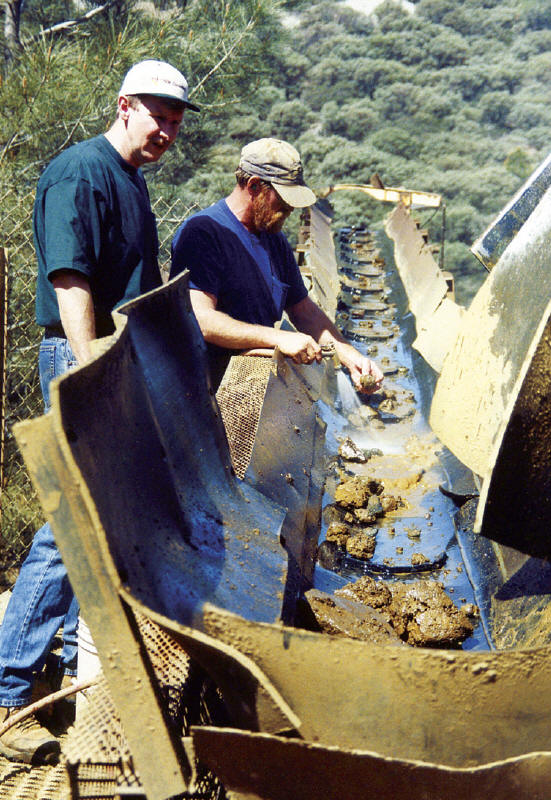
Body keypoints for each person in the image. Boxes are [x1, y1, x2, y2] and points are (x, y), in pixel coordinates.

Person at [0, 59, 199, 765]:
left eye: (176, 121)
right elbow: (69, 278)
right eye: (158, 115)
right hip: (84, 362)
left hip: (116, 364)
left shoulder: (129, 181)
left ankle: (44, 671)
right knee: (69, 529)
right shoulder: (80, 173)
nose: (167, 131)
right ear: (124, 106)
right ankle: (9, 695)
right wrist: (93, 376)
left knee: (96, 527)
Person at [170, 138, 384, 393]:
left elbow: (302, 310)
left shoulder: (272, 238)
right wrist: (279, 337)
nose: (290, 209)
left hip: (251, 384)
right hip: (209, 390)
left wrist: (350, 357)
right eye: (282, 202)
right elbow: (201, 320)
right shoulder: (204, 233)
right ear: (253, 186)